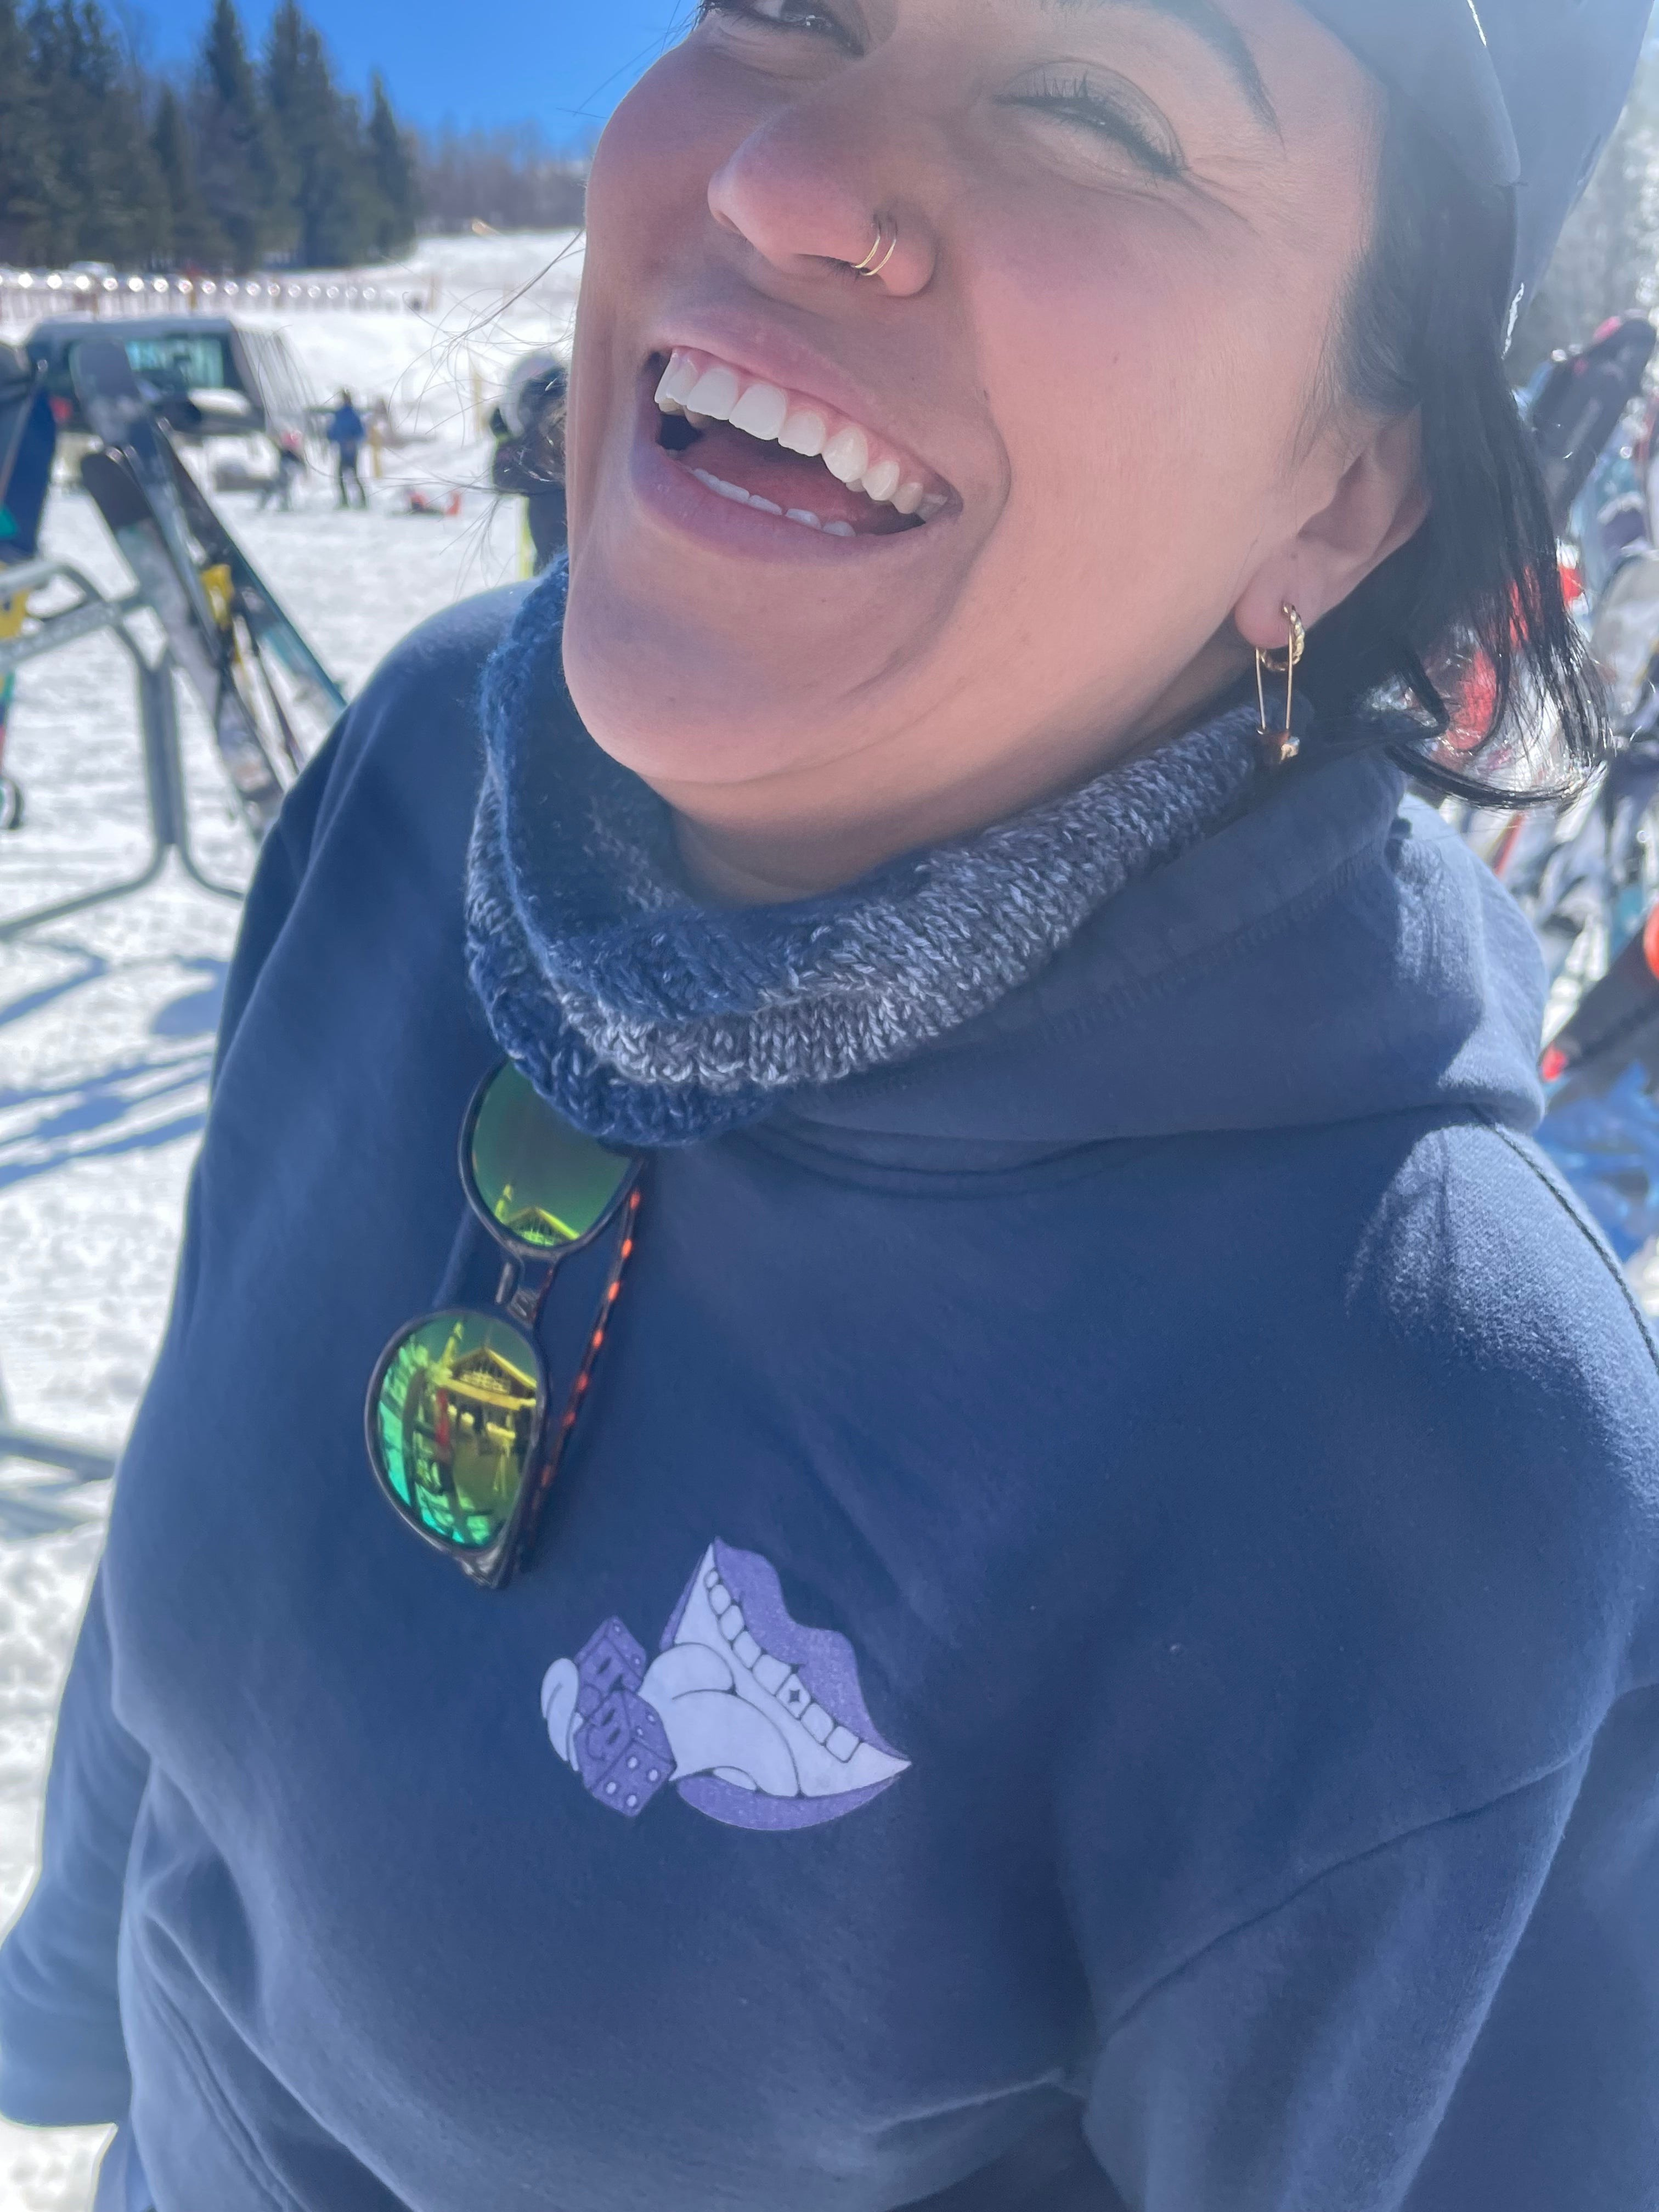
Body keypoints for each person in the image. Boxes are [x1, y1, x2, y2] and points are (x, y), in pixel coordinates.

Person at [4, 4, 1658, 2209]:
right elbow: (185, 1595)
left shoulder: (1430, 1435)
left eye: (1094, 106)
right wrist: (55, 2018)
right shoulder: (428, 771)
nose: (787, 178)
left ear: (1349, 486)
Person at [489, 352, 570, 573]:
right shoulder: (577, 431)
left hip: (559, 573)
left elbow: (503, 476)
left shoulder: (543, 443)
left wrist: (506, 440)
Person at [326, 390, 366, 510]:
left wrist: (353, 441)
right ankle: (344, 500)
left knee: (354, 476)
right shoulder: (339, 414)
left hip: (352, 451)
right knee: (339, 477)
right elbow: (333, 430)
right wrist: (332, 439)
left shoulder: (354, 414)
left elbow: (361, 433)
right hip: (342, 450)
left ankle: (363, 500)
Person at [258, 431, 308, 514]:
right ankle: (282, 506)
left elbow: (302, 467)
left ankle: (282, 506)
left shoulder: (290, 455)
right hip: (282, 477)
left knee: (279, 491)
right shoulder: (287, 453)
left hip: (284, 477)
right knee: (280, 491)